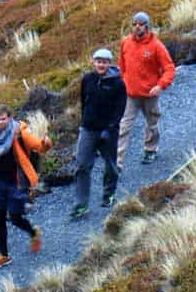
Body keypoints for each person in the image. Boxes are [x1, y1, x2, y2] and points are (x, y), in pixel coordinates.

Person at [0, 103, 53, 269]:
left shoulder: (20, 132)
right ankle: (4, 255)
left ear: (10, 118)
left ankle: (33, 232)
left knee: (15, 218)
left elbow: (37, 146)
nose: (1, 122)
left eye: (3, 119)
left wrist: (45, 144)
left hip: (16, 183)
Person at [70, 48, 127, 219]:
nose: (101, 65)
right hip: (88, 129)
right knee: (82, 166)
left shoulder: (118, 83)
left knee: (110, 165)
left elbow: (120, 109)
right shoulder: (87, 79)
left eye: (104, 62)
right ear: (93, 62)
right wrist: (85, 122)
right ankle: (81, 204)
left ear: (109, 63)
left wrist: (110, 129)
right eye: (98, 61)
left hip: (108, 131)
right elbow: (84, 101)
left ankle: (109, 194)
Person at [117, 11, 176, 167]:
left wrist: (160, 85)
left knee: (152, 124)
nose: (137, 27)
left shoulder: (156, 46)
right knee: (123, 127)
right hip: (130, 95)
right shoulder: (125, 43)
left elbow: (169, 68)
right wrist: (122, 83)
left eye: (141, 24)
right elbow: (121, 66)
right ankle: (117, 162)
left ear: (147, 26)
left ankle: (150, 150)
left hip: (150, 95)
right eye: (134, 24)